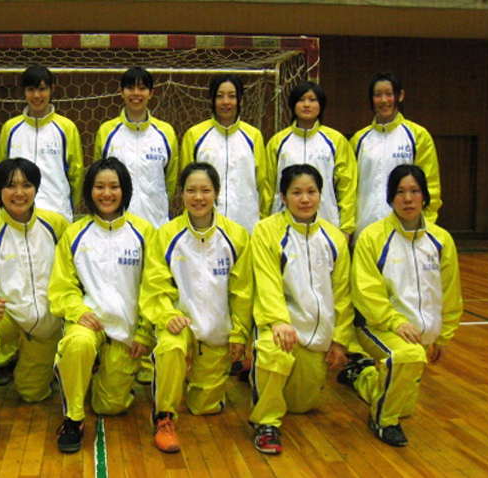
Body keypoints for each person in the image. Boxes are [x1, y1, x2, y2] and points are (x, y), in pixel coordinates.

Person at [341, 164, 462, 447]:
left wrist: (444, 335)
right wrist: (394, 322)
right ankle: (383, 421)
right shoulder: (373, 237)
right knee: (407, 358)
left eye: (414, 191)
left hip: (417, 335)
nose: (408, 199)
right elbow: (366, 292)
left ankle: (362, 374)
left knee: (403, 401)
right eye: (400, 192)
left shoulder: (441, 240)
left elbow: (450, 292)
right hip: (376, 326)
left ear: (425, 197)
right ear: (390, 198)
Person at [139, 162, 253, 453]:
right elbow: (154, 286)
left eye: (205, 190)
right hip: (181, 326)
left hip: (216, 332)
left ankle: (198, 377)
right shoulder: (165, 235)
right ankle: (164, 417)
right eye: (191, 190)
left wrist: (240, 333)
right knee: (170, 346)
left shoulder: (237, 236)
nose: (198, 197)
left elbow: (242, 292)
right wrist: (168, 315)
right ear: (181, 193)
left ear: (217, 193)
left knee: (205, 407)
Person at [0, 158, 69, 454]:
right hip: (7, 317)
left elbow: (75, 272)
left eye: (26, 185)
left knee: (32, 393)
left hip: (47, 324)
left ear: (36, 189)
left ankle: (37, 366)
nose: (19, 193)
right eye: (10, 186)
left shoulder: (56, 225)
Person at [49, 157, 155, 453]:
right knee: (79, 344)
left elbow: (154, 287)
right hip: (88, 324)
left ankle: (98, 371)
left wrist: (145, 331)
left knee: (109, 406)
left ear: (125, 190)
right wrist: (78, 311)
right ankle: (73, 419)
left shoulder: (144, 232)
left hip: (125, 332)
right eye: (99, 187)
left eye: (114, 187)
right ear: (89, 191)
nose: (106, 194)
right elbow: (62, 285)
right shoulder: (75, 233)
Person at [247, 164, 353, 454]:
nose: (305, 199)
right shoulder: (266, 230)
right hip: (280, 327)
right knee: (273, 352)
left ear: (320, 195)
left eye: (311, 192)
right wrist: (278, 321)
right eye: (296, 193)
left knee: (302, 406)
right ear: (283, 197)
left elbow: (342, 293)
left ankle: (266, 381)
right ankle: (266, 423)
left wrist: (340, 339)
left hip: (316, 336)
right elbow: (266, 282)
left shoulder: (334, 238)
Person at [350, 72, 442, 244]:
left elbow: (431, 186)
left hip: (406, 231)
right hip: (364, 230)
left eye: (389, 94)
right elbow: (349, 189)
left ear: (400, 95)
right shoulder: (358, 140)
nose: (383, 100)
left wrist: (426, 224)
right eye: (378, 95)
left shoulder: (418, 136)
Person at [266, 81, 357, 242]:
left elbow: (347, 187)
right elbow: (267, 186)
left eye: (313, 100)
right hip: (282, 228)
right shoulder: (278, 142)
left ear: (321, 105)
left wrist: (346, 228)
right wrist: (265, 222)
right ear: (293, 104)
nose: (307, 104)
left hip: (326, 225)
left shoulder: (336, 141)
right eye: (301, 100)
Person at [180, 74, 270, 234]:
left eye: (232, 96)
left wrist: (262, 219)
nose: (226, 102)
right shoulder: (194, 135)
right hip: (205, 225)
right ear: (212, 100)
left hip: (246, 222)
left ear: (240, 100)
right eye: (220, 96)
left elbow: (262, 183)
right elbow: (186, 184)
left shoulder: (253, 136)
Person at [0, 65, 84, 222]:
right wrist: (1, 207)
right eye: (31, 89)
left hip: (56, 214)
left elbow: (76, 174)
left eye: (42, 89)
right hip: (16, 214)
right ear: (24, 91)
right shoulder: (10, 128)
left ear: (52, 89)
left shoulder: (66, 128)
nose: (36, 95)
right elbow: (0, 171)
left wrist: (66, 205)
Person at [94, 67, 179, 229]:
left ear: (151, 93)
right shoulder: (107, 132)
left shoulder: (166, 132)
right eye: (130, 88)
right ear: (121, 92)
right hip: (118, 225)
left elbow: (170, 181)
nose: (136, 93)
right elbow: (99, 178)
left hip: (156, 223)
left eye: (142, 88)